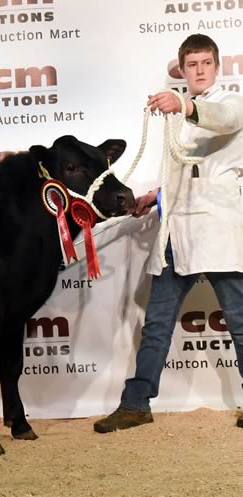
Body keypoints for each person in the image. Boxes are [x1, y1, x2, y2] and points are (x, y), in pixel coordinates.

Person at [94, 33, 243, 433]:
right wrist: (155, 196)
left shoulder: (231, 101)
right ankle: (136, 403)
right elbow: (187, 170)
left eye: (206, 64)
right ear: (182, 69)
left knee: (241, 321)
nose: (199, 70)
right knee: (157, 322)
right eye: (191, 64)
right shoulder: (177, 115)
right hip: (176, 231)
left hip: (216, 231)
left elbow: (226, 121)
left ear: (217, 66)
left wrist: (186, 104)